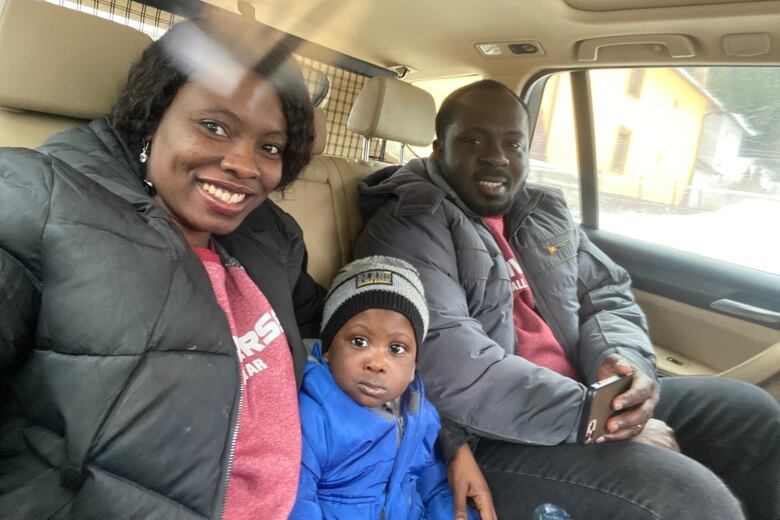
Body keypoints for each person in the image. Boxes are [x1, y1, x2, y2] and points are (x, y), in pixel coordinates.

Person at [354, 79, 780, 519]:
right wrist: (590, 418)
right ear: (440, 147)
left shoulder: (543, 213)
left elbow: (605, 294)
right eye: (474, 140)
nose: (497, 156)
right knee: (685, 499)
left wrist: (619, 363)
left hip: (580, 396)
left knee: (749, 413)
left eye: (513, 143)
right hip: (488, 434)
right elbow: (448, 362)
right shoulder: (407, 225)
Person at [0, 14, 324, 520]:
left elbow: (323, 316)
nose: (245, 165)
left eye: (270, 147)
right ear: (153, 117)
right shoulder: (34, 198)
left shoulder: (268, 232)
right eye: (213, 126)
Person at [290, 256, 482, 520]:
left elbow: (432, 484)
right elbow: (297, 502)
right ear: (328, 351)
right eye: (359, 342)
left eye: (396, 349)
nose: (377, 363)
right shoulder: (311, 415)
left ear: (414, 366)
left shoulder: (419, 413)